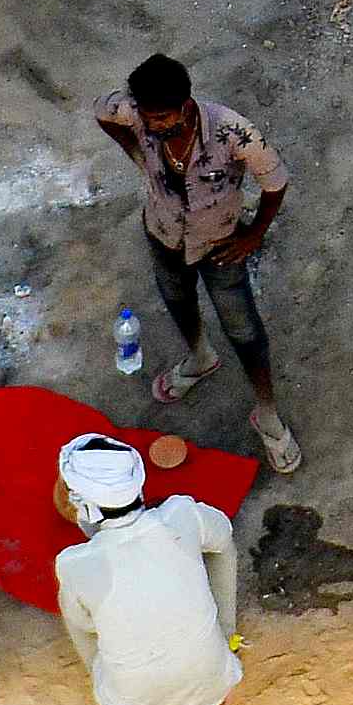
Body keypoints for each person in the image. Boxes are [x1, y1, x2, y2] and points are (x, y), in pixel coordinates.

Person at [100, 51, 300, 476]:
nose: (152, 125)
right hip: (163, 234)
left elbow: (276, 181)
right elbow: (103, 112)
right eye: (147, 117)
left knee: (244, 330)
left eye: (161, 117)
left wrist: (254, 234)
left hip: (220, 243)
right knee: (178, 301)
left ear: (186, 106)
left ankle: (267, 415)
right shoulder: (134, 112)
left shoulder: (232, 131)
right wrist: (138, 155)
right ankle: (200, 358)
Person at [51, 428, 243, 705]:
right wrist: (226, 631)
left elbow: (84, 630)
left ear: (82, 505)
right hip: (216, 683)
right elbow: (223, 539)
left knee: (109, 670)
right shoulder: (182, 515)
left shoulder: (74, 564)